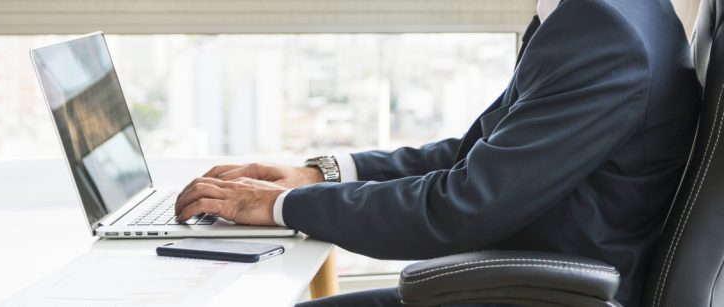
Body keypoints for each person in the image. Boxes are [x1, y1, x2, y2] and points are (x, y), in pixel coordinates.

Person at [174, 0, 700, 305]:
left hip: (541, 293)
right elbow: (478, 154)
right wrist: (320, 176)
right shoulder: (598, 12)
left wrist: (273, 207)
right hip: (529, 277)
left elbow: (461, 208)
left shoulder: (603, 33)